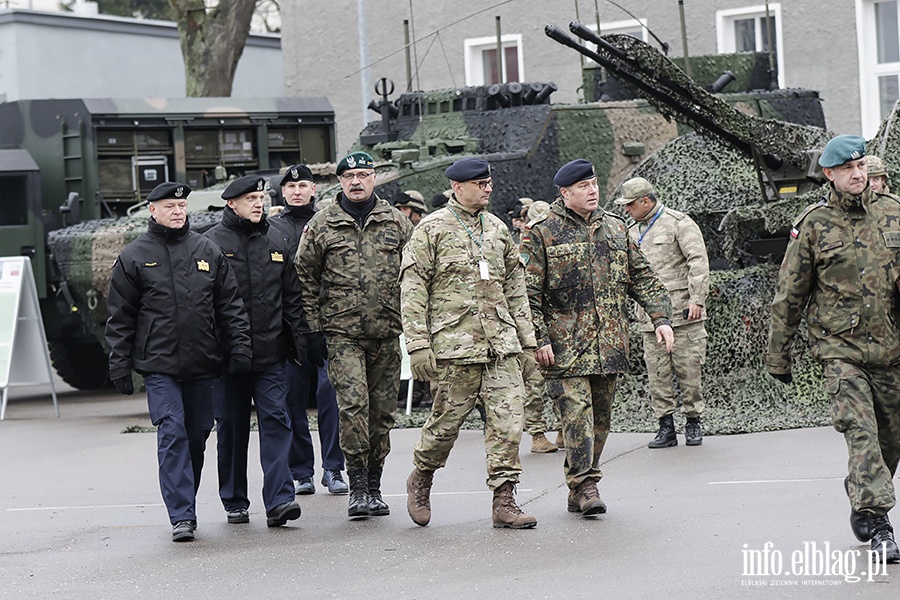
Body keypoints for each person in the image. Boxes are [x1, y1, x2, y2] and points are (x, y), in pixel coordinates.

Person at [767, 135, 900, 563]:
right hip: (840, 350)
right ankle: (879, 522)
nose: (857, 174)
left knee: (890, 441)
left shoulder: (894, 213)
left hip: (892, 349)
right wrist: (778, 354)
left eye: (861, 166)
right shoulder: (814, 224)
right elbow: (790, 292)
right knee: (861, 433)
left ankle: (861, 493)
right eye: (847, 169)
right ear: (829, 174)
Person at [520, 159, 673, 517]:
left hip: (609, 344)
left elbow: (643, 278)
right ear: (565, 192)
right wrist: (539, 339)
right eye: (583, 186)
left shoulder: (616, 228)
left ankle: (579, 485)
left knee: (600, 422)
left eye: (594, 184)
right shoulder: (542, 231)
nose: (592, 191)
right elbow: (527, 294)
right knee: (576, 416)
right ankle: (587, 485)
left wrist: (661, 318)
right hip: (564, 348)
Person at [105, 182, 252, 542]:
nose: (177, 211)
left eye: (181, 205)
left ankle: (184, 496)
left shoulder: (207, 250)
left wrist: (239, 349)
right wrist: (119, 364)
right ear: (152, 210)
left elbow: (229, 305)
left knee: (197, 435)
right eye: (169, 205)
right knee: (172, 431)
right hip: (159, 365)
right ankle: (182, 515)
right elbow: (120, 316)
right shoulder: (134, 256)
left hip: (203, 362)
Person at [402, 157, 539, 529]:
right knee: (445, 425)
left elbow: (515, 288)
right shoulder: (431, 229)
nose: (488, 188)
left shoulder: (496, 229)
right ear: (457, 187)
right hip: (454, 346)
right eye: (480, 183)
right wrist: (417, 343)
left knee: (508, 423)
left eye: (490, 182)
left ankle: (504, 499)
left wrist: (526, 342)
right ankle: (422, 477)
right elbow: (413, 287)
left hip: (500, 345)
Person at [295, 151, 413, 519]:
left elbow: (416, 274)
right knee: (353, 409)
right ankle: (357, 487)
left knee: (382, 415)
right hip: (341, 335)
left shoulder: (396, 223)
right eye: (349, 177)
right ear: (340, 182)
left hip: (386, 333)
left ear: (374, 178)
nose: (357, 182)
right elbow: (305, 278)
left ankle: (375, 487)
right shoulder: (322, 223)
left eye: (363, 175)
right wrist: (313, 331)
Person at [204, 174, 305, 529]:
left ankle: (280, 500)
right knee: (231, 427)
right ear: (231, 203)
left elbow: (291, 296)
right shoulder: (211, 244)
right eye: (250, 199)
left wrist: (300, 341)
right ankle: (234, 500)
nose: (259, 203)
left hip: (270, 354)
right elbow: (202, 302)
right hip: (227, 359)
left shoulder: (276, 240)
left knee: (277, 422)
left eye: (261, 197)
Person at [269, 164, 349, 496]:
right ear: (283, 192)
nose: (297, 191)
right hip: (289, 327)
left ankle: (333, 467)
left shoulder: (330, 222)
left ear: (314, 189)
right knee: (292, 401)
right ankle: (301, 470)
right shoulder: (271, 230)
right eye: (291, 187)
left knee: (331, 397)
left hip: (329, 324)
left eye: (303, 185)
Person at [615, 177, 710, 448]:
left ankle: (693, 422)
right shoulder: (630, 230)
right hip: (649, 320)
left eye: (630, 205)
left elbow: (698, 262)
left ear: (646, 201)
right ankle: (665, 426)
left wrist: (698, 299)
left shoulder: (679, 223)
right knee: (657, 375)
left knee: (689, 372)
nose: (626, 210)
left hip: (684, 315)